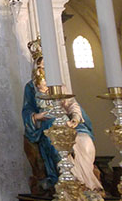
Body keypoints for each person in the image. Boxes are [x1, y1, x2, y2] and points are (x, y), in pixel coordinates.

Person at [22, 39, 103, 192]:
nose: (43, 70)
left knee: (85, 142)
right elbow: (27, 110)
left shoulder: (58, 85)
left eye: (46, 67)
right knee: (59, 146)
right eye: (40, 67)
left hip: (68, 124)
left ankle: (87, 182)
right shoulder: (31, 88)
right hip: (48, 126)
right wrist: (38, 117)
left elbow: (71, 103)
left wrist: (75, 118)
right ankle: (70, 182)